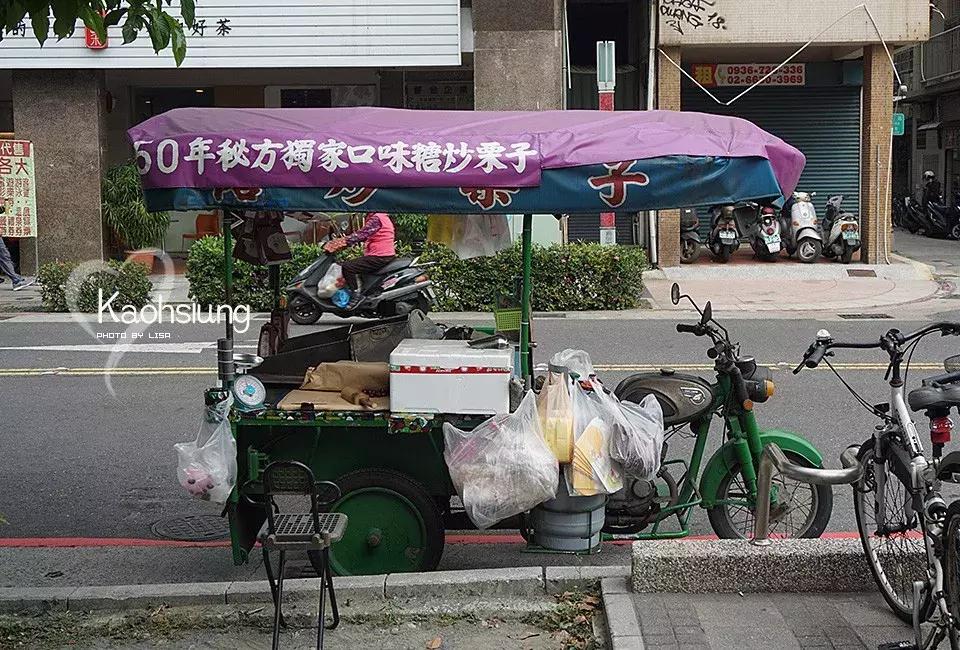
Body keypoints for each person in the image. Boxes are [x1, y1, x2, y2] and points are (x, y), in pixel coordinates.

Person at [324, 212, 396, 310]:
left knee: (348, 267)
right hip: (383, 254)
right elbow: (365, 235)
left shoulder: (376, 218)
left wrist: (341, 242)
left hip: (380, 255)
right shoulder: (382, 216)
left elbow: (362, 234)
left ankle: (356, 295)